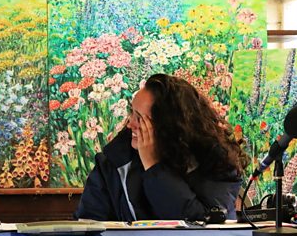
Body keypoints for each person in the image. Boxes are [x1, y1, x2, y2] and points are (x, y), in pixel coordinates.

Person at [75, 73, 249, 222]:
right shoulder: (113, 162)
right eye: (131, 113)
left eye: (140, 118)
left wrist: (154, 167)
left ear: (170, 125)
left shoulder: (217, 160)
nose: (130, 124)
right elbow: (89, 226)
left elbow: (204, 226)